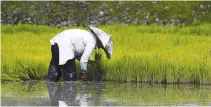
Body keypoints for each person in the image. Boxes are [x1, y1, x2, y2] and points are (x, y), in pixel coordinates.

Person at [47, 26, 113, 81]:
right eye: (102, 46)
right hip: (65, 46)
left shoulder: (87, 35)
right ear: (100, 41)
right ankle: (69, 94)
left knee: (54, 72)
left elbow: (79, 56)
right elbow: (83, 60)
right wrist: (84, 74)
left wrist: (90, 62)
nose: (100, 48)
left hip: (56, 44)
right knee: (71, 76)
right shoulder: (92, 41)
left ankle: (53, 92)